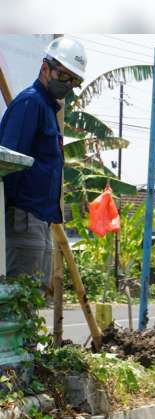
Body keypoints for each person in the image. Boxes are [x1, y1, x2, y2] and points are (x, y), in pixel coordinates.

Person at [0, 37, 87, 285]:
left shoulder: (47, 109)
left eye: (74, 80)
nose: (67, 84)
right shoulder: (30, 103)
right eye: (63, 76)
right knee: (20, 298)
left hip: (39, 218)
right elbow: (7, 163)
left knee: (33, 297)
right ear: (45, 67)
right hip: (23, 217)